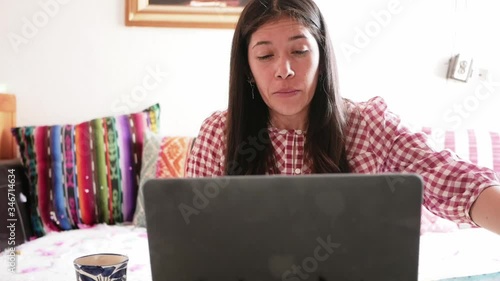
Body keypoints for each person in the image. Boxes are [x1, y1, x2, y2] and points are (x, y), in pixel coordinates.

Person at [185, 0, 500, 234]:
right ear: (248, 70)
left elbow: (454, 179)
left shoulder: (370, 125)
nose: (284, 70)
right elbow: (195, 235)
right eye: (266, 56)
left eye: (300, 51)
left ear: (322, 58)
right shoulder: (219, 135)